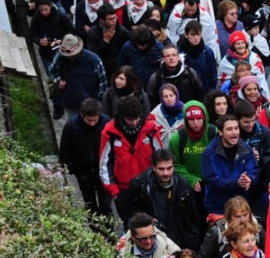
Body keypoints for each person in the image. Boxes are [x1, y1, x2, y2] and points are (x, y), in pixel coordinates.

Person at [119, 148, 202, 250]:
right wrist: (144, 219)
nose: (166, 173)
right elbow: (127, 209)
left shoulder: (182, 185)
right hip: (150, 240)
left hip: (176, 240)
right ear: (153, 167)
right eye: (161, 169)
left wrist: (192, 246)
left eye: (169, 168)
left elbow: (192, 219)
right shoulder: (140, 184)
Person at [99, 94, 163, 223]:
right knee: (131, 228)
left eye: (136, 118)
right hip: (124, 191)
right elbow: (104, 164)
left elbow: (160, 158)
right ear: (122, 117)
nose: (134, 123)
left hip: (149, 187)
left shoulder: (150, 130)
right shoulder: (110, 133)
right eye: (130, 119)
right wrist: (114, 191)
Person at [59, 97, 112, 220]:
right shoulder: (72, 126)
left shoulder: (106, 122)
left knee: (106, 205)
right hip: (83, 171)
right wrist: (74, 170)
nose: (93, 123)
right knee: (90, 205)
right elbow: (65, 150)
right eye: (89, 120)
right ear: (82, 116)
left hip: (102, 170)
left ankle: (110, 235)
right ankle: (95, 233)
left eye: (95, 120)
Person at [200, 114, 258, 218]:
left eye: (236, 128)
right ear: (221, 132)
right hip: (218, 207)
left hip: (241, 205)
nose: (234, 132)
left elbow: (254, 171)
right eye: (230, 129)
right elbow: (212, 181)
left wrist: (249, 179)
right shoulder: (209, 153)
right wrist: (236, 183)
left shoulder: (246, 149)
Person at [49, 33, 109, 120]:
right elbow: (52, 70)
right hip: (71, 103)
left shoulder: (94, 60)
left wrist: (97, 102)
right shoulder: (59, 57)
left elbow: (103, 84)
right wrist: (58, 81)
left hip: (90, 105)